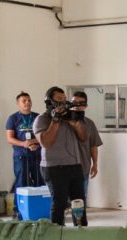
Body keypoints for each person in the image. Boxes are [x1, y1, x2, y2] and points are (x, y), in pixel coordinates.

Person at [34, 87, 88, 226]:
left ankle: (82, 232)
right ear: (49, 101)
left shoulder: (70, 117)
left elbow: (84, 138)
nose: (63, 103)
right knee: (59, 203)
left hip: (74, 165)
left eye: (65, 100)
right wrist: (56, 120)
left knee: (79, 203)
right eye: (59, 100)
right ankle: (57, 235)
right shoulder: (41, 120)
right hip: (53, 167)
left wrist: (75, 123)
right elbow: (46, 142)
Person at [5, 92, 43, 218]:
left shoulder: (38, 117)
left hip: (37, 155)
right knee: (22, 182)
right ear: (18, 103)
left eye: (29, 100)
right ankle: (19, 209)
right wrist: (24, 144)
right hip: (21, 156)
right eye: (24, 100)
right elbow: (10, 138)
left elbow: (44, 135)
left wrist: (34, 142)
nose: (27, 102)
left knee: (40, 181)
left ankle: (40, 207)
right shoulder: (13, 118)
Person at [71, 91, 103, 205]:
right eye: (74, 102)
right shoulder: (63, 122)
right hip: (64, 167)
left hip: (83, 166)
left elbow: (93, 146)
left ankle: (79, 219)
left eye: (81, 103)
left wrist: (95, 164)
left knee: (80, 198)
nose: (77, 105)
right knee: (62, 199)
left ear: (86, 106)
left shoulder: (89, 124)